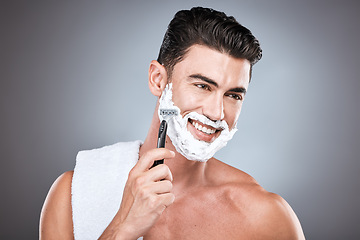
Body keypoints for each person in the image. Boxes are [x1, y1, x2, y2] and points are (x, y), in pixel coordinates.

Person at [40, 7, 305, 240]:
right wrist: (122, 228)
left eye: (233, 95)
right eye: (202, 85)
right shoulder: (73, 194)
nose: (216, 112)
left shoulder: (266, 217)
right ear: (158, 79)